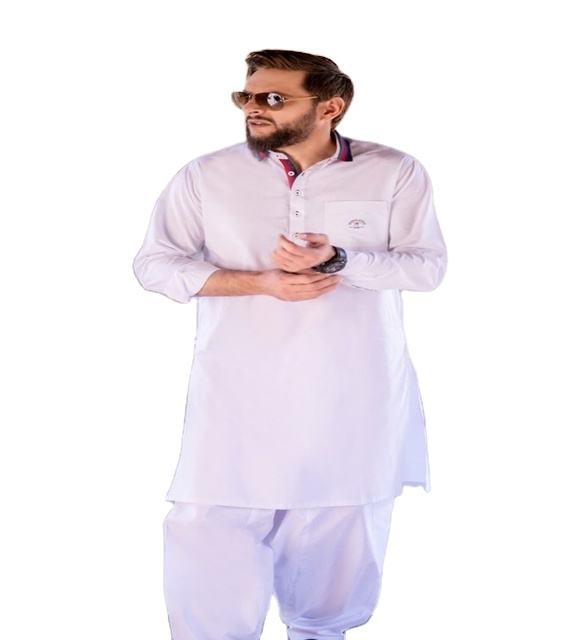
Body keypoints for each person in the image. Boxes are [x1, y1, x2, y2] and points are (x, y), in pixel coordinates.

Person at [132, 48, 447, 640]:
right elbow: (155, 264)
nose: (253, 108)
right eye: (246, 96)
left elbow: (425, 268)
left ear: (330, 107)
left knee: (336, 547)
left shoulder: (393, 171)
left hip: (352, 397)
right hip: (236, 397)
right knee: (208, 530)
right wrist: (260, 283)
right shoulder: (206, 175)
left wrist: (341, 260)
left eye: (273, 98)